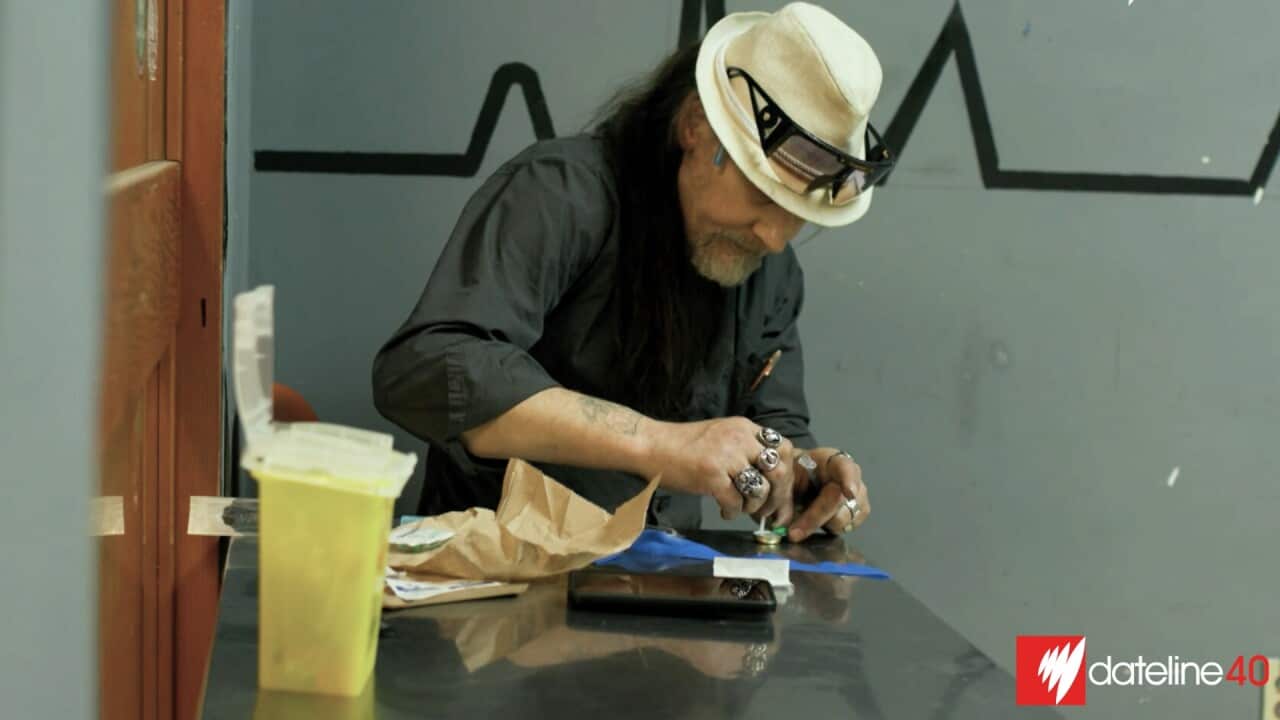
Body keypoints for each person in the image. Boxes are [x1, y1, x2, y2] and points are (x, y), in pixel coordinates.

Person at [373, 2, 893, 540]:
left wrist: (805, 473)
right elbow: (430, 369)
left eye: (800, 214)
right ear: (695, 127)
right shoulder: (562, 193)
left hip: (665, 587)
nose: (776, 237)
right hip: (497, 573)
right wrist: (658, 443)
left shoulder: (771, 269)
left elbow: (775, 433)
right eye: (763, 193)